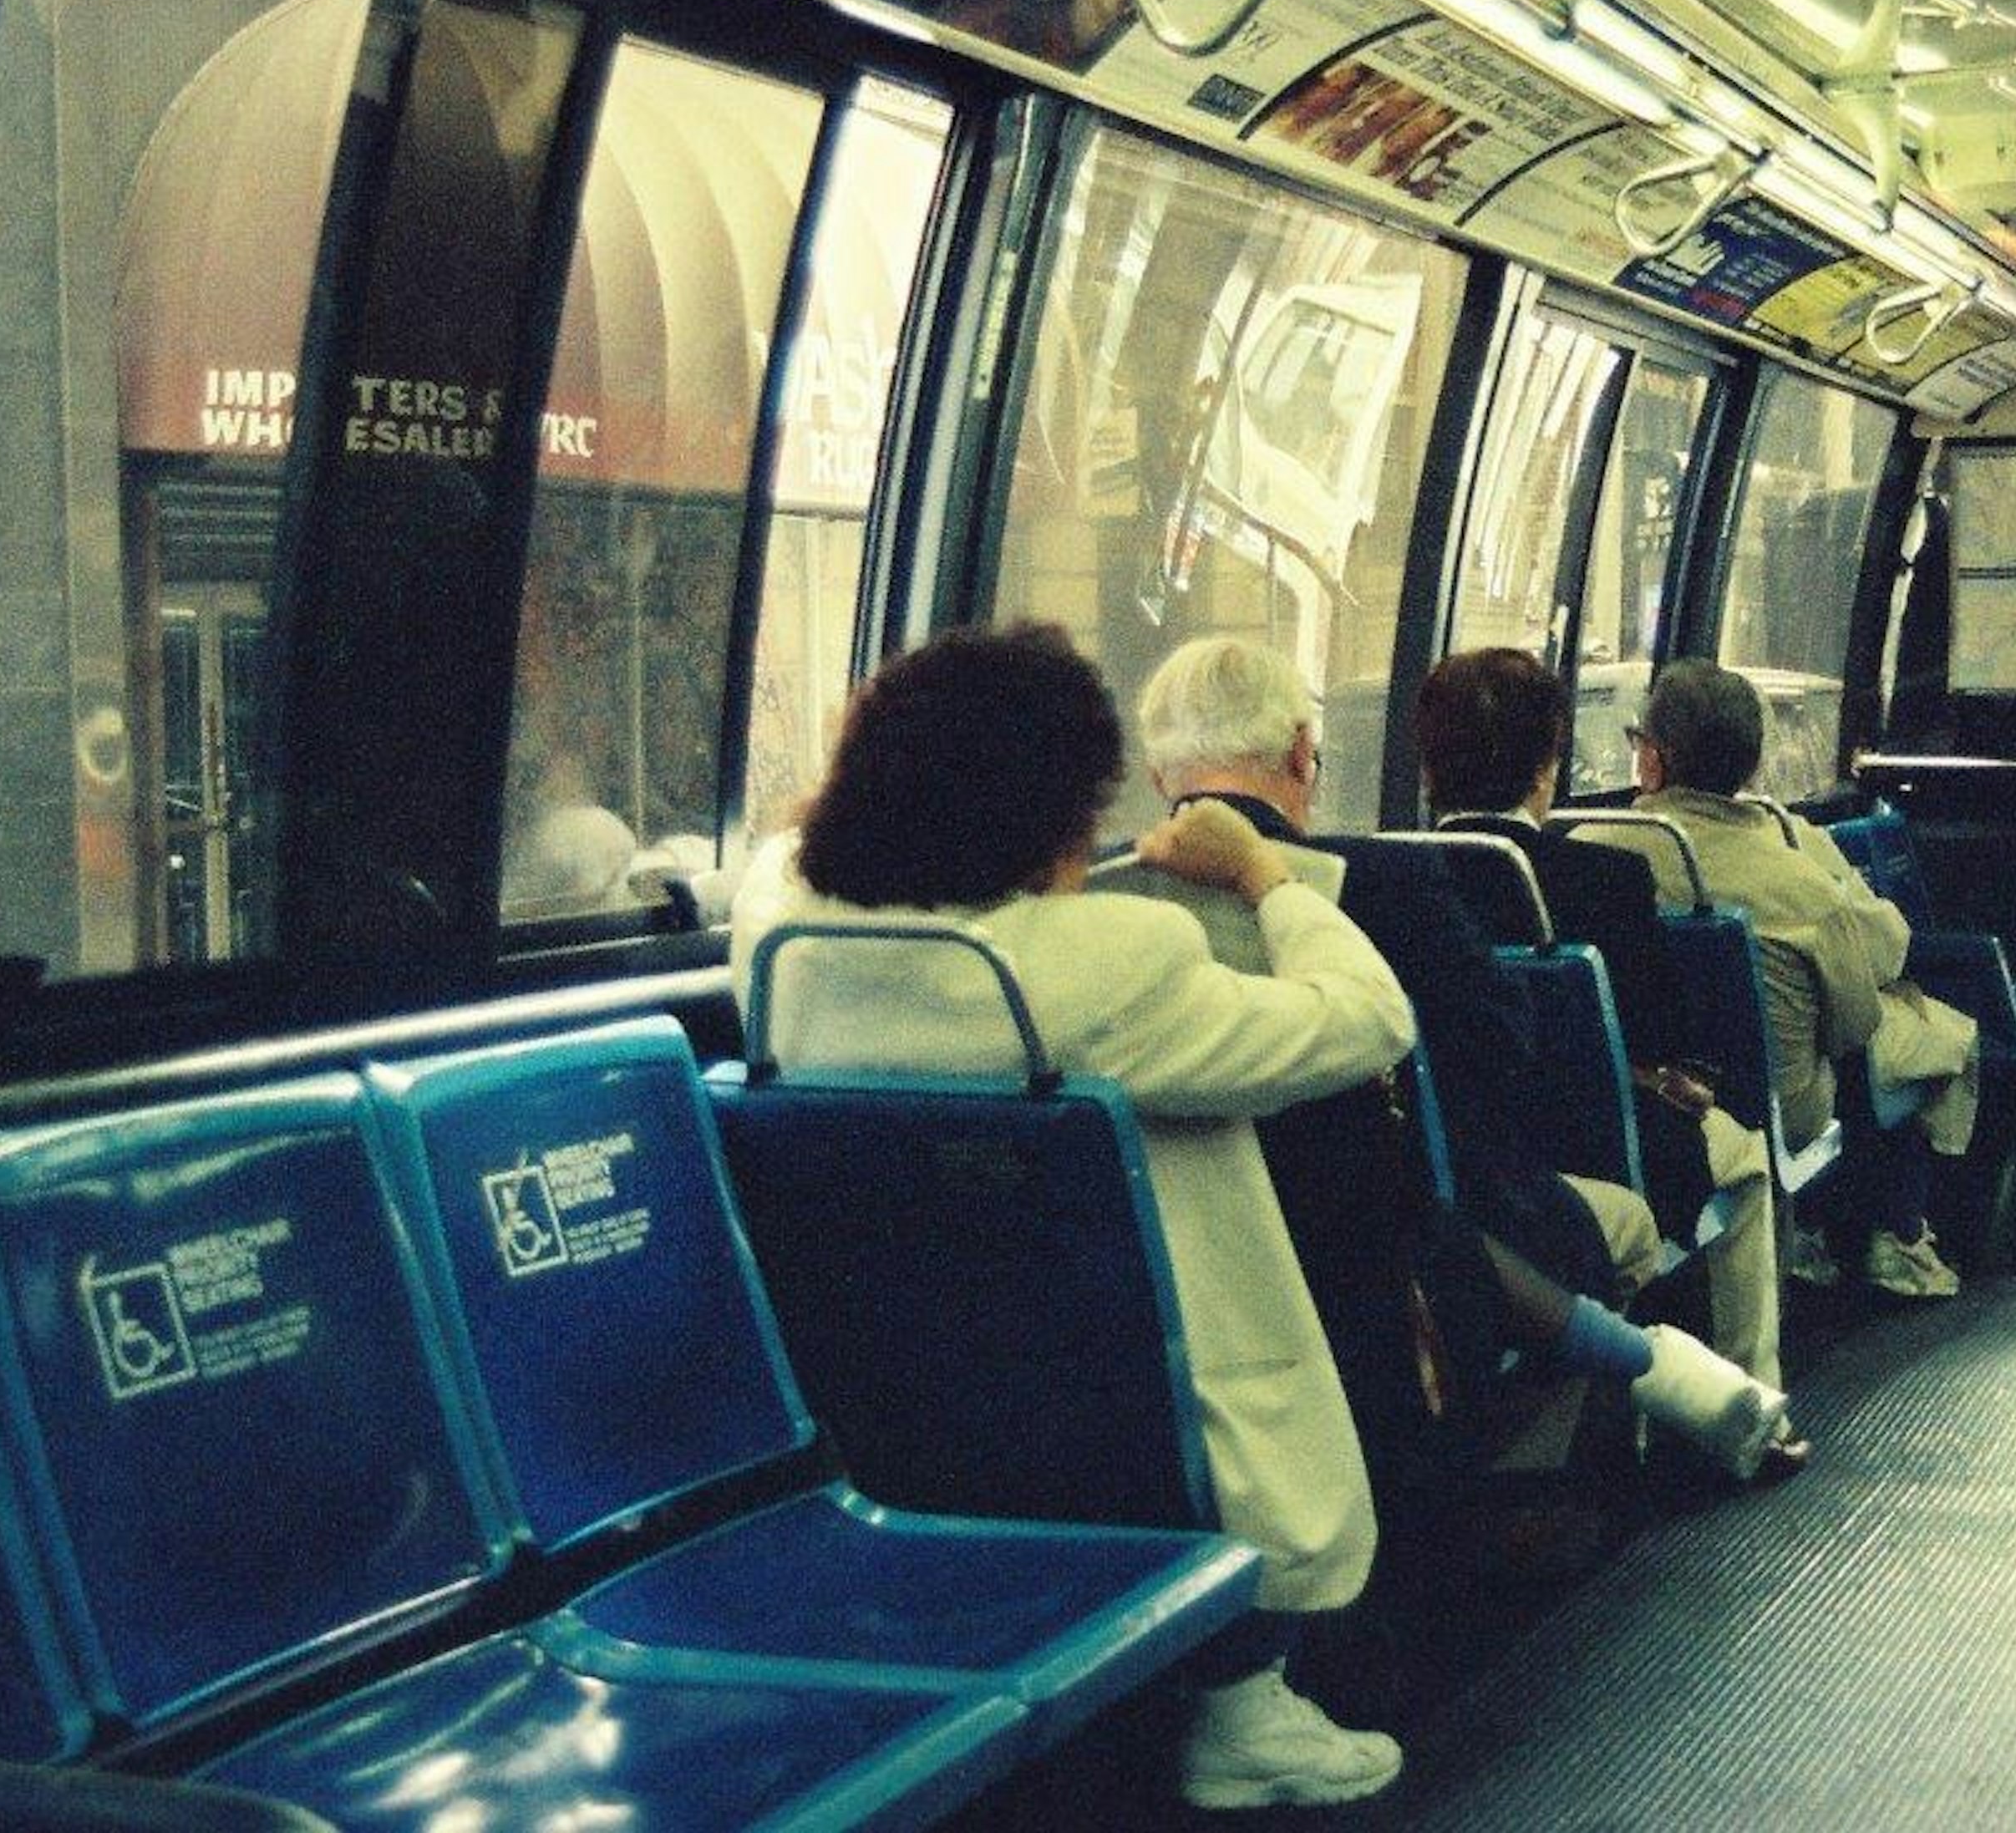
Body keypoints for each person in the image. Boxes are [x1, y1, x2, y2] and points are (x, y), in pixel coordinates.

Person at [729, 623, 1412, 1810]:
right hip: (1121, 1406)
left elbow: (794, 840)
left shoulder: (780, 933)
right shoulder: (1109, 963)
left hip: (887, 1404)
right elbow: (1364, 1019)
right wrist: (1262, 875)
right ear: (1058, 820)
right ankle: (1239, 1695)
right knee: (1183, 1144)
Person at [1134, 636, 1791, 1484]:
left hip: (1194, 1255)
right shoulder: (1381, 885)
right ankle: (1597, 1447)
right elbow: (1496, 1048)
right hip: (1403, 1246)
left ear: (1157, 778)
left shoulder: (1118, 908)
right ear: (1303, 754)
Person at [1414, 646, 1798, 1460]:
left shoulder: (1386, 881)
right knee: (1751, 1158)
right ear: (1549, 765)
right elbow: (1665, 1047)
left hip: (1450, 1163)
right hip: (1594, 1154)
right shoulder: (1605, 880)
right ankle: (1750, 1406)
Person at [1618, 659, 1981, 1299]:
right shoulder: (1798, 870)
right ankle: (1896, 1233)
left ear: (1653, 761)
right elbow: (1854, 1021)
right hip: (1780, 1105)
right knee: (1904, 1038)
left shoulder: (1593, 853)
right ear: (1752, 766)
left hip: (1640, 1096)